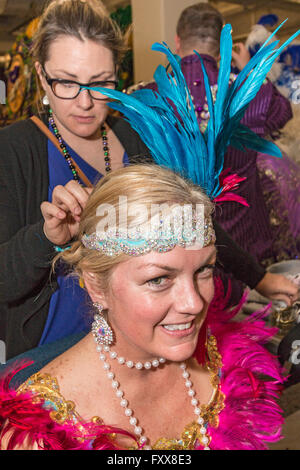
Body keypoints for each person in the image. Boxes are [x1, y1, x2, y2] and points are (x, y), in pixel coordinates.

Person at [0, 0, 297, 363]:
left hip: (145, 344)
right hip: (56, 355)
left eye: (101, 83)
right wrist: (48, 237)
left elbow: (194, 220)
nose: (86, 102)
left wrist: (259, 278)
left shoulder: (136, 134)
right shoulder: (13, 151)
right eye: (66, 82)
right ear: (42, 76)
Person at [0, 164, 284, 450]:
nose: (194, 303)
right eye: (159, 279)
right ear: (98, 286)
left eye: (203, 270)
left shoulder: (231, 363)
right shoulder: (41, 433)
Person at [172, 3, 296, 265]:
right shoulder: (253, 92)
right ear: (222, 45)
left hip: (174, 253)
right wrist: (250, 73)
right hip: (244, 251)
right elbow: (283, 113)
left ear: (177, 42)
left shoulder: (146, 97)